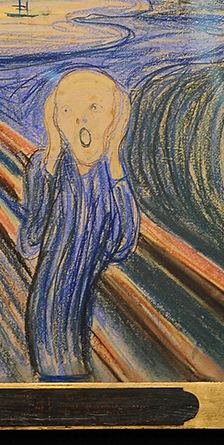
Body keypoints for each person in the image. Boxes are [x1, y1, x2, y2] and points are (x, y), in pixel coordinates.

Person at [18, 69, 140, 380]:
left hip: (92, 315)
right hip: (47, 309)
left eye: (94, 107)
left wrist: (114, 159)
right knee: (54, 376)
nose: (79, 119)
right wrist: (50, 158)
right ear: (55, 119)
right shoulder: (45, 167)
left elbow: (123, 244)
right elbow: (29, 240)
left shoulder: (112, 177)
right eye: (66, 109)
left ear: (115, 117)